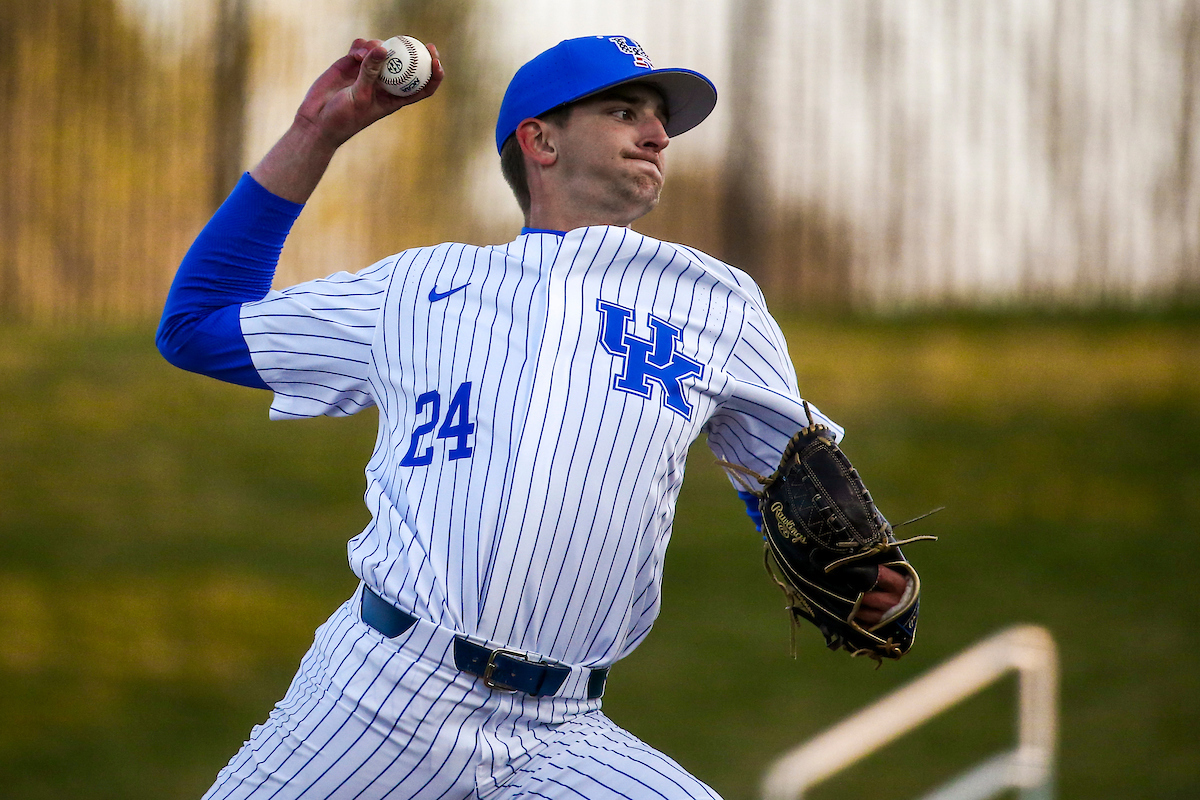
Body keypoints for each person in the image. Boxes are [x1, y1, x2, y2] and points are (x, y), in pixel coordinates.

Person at [157, 34, 910, 800]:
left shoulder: (718, 304)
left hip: (563, 734)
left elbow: (786, 487)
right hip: (378, 698)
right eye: (624, 111)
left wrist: (864, 578)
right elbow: (196, 326)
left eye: (661, 120)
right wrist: (317, 134)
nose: (656, 134)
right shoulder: (419, 287)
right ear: (540, 140)